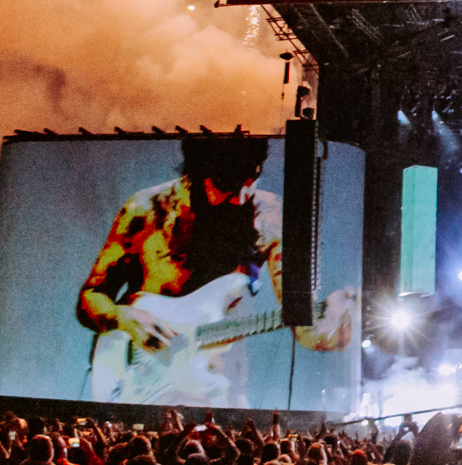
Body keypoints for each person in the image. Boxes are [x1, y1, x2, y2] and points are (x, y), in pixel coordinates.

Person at [74, 136, 357, 405]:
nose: (242, 196)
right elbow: (90, 297)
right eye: (226, 185)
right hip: (141, 382)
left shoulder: (269, 216)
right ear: (197, 171)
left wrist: (332, 329)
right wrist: (124, 317)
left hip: (219, 385)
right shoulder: (146, 210)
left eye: (252, 179)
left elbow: (302, 326)